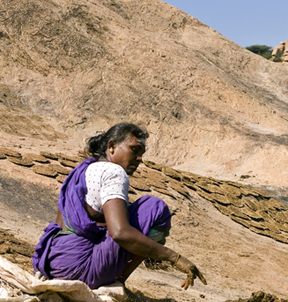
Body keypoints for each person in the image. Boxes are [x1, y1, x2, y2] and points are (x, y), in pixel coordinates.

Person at [32, 123, 206, 290]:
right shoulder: (113, 172)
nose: (139, 159)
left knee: (129, 212)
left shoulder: (83, 170)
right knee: (154, 208)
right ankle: (118, 282)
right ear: (112, 146)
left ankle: (112, 279)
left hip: (53, 265)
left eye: (142, 154)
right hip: (80, 270)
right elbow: (120, 233)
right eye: (135, 150)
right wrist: (174, 258)